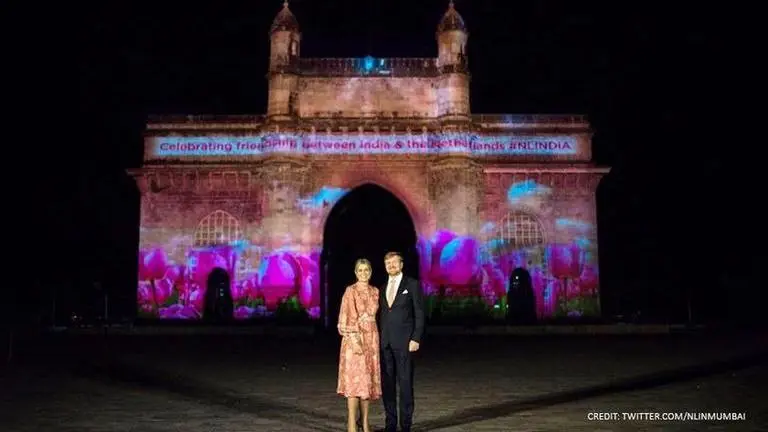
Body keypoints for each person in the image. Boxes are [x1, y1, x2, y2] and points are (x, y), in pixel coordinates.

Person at [378, 251, 425, 432]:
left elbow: (419, 313)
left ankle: (405, 425)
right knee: (388, 385)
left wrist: (416, 337)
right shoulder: (382, 288)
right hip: (386, 344)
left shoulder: (411, 284)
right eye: (388, 263)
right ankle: (390, 424)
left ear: (401, 264)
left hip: (405, 343)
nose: (391, 266)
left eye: (394, 263)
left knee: (405, 384)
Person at [337, 258, 381, 432]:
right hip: (354, 339)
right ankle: (351, 424)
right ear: (355, 272)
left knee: (366, 382)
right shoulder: (351, 291)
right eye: (360, 270)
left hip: (371, 338)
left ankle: (365, 422)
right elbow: (346, 316)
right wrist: (355, 341)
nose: (364, 273)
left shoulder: (375, 291)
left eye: (366, 270)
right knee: (354, 383)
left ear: (370, 271)